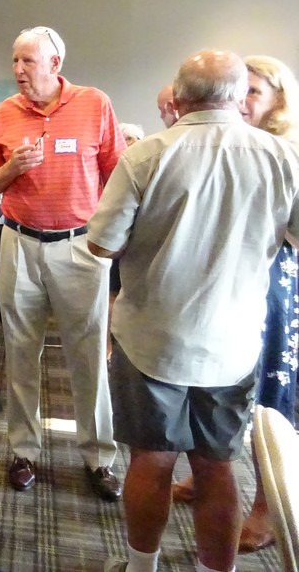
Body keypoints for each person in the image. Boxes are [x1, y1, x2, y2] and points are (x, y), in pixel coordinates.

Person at [88, 50, 299, 572]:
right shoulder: (282, 158)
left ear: (178, 97)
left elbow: (101, 245)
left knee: (151, 460)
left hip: (151, 340)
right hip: (233, 343)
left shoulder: (146, 156)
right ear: (237, 96)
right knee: (218, 466)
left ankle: (141, 567)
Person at [0, 25, 124, 501]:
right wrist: (13, 168)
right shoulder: (5, 112)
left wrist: (111, 239)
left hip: (80, 246)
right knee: (19, 351)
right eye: (15, 60)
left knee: (89, 355)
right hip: (18, 242)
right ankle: (23, 451)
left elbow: (118, 175)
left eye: (28, 60)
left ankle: (99, 457)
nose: (18, 70)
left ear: (55, 64)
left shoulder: (94, 103)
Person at [170, 54, 299, 554]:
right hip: (217, 284)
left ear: (278, 102)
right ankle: (205, 474)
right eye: (238, 89)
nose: (241, 101)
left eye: (254, 92)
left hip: (272, 289)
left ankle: (269, 505)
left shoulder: (286, 153)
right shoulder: (222, 142)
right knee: (208, 385)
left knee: (269, 395)